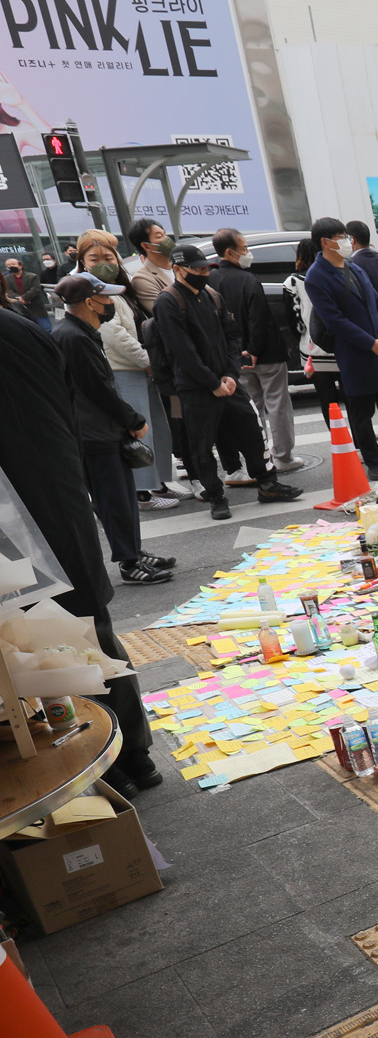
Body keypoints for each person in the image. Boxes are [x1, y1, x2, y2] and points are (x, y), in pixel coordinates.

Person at [0, 304, 162, 795]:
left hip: (16, 521)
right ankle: (133, 753)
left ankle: (96, 763)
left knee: (39, 647)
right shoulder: (25, 329)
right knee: (91, 632)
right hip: (61, 500)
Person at [151, 244, 301, 518]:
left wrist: (231, 375)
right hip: (196, 387)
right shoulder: (168, 301)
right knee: (201, 444)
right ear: (177, 269)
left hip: (228, 381)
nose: (203, 273)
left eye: (205, 268)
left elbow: (233, 337)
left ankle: (267, 483)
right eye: (196, 269)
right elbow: (182, 351)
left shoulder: (212, 295)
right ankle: (216, 496)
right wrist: (212, 383)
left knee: (253, 432)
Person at [50, 272, 173, 586]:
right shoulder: (74, 337)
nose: (110, 303)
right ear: (90, 302)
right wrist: (133, 421)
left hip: (101, 430)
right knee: (113, 499)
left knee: (122, 497)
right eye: (105, 298)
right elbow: (98, 389)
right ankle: (129, 563)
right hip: (96, 434)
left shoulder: (79, 331)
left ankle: (133, 551)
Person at [302, 217, 378, 475]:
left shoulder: (353, 266)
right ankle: (374, 462)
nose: (346, 241)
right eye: (340, 237)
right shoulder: (316, 276)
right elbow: (333, 319)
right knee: (361, 412)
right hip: (356, 353)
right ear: (325, 242)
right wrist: (370, 343)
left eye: (346, 236)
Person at [73, 229, 171, 509]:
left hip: (138, 369)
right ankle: (142, 492)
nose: (104, 262)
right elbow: (114, 334)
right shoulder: (88, 290)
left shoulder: (118, 287)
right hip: (123, 370)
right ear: (83, 261)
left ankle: (156, 484)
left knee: (155, 431)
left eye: (109, 256)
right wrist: (147, 361)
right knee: (136, 432)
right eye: (94, 258)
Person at [209, 228, 306, 474]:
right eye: (244, 249)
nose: (247, 253)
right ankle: (283, 457)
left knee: (251, 409)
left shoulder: (210, 281)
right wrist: (253, 348)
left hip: (233, 357)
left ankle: (259, 458)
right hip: (265, 354)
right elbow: (258, 318)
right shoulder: (248, 279)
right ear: (230, 252)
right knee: (277, 404)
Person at [285, 237, 344, 431]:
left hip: (313, 348)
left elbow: (295, 322)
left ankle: (338, 439)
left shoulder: (292, 282)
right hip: (341, 343)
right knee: (352, 396)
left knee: (328, 399)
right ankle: (361, 441)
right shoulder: (332, 275)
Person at [123, 218, 175, 314]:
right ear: (146, 246)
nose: (167, 239)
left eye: (165, 235)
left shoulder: (182, 266)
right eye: (160, 237)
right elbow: (165, 313)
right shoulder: (142, 279)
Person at [5, 253, 50, 330]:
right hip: (20, 309)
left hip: (36, 307)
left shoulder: (32, 276)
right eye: (8, 265)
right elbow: (8, 291)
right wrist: (20, 300)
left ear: (20, 266)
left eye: (13, 264)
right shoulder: (6, 279)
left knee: (46, 329)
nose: (11, 266)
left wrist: (25, 298)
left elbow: (35, 289)